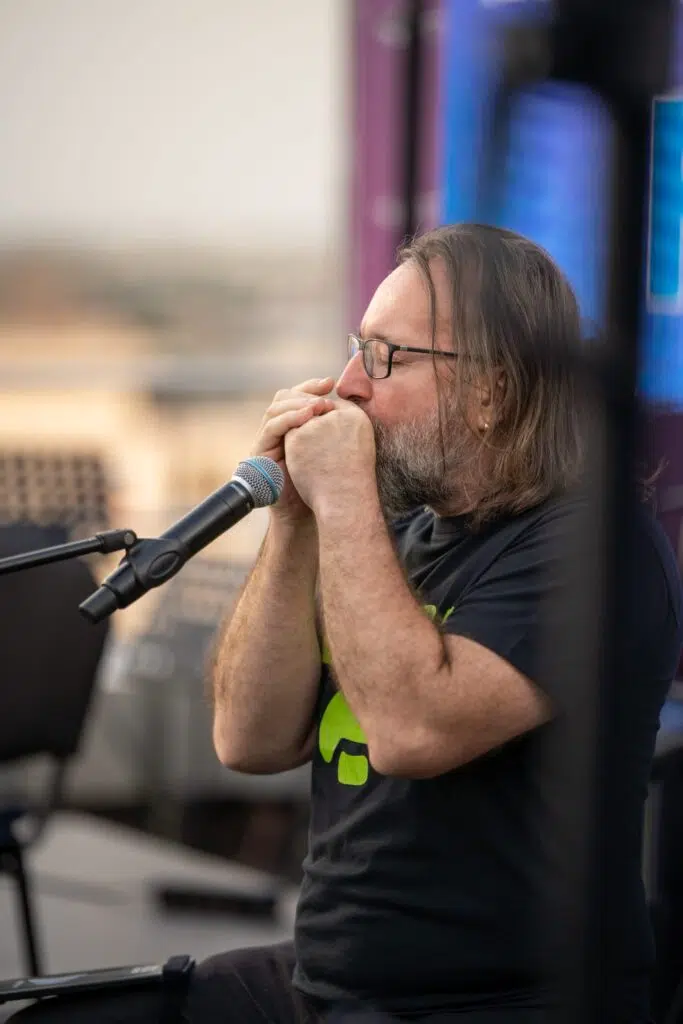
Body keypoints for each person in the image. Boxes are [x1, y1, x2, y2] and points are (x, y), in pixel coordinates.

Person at [10, 223, 683, 1024]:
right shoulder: (391, 533)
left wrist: (344, 502)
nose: (346, 385)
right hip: (331, 981)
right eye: (355, 348)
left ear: (490, 393)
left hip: (495, 1002)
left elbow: (410, 732)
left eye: (386, 357)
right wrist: (293, 518)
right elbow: (248, 739)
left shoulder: (593, 548)